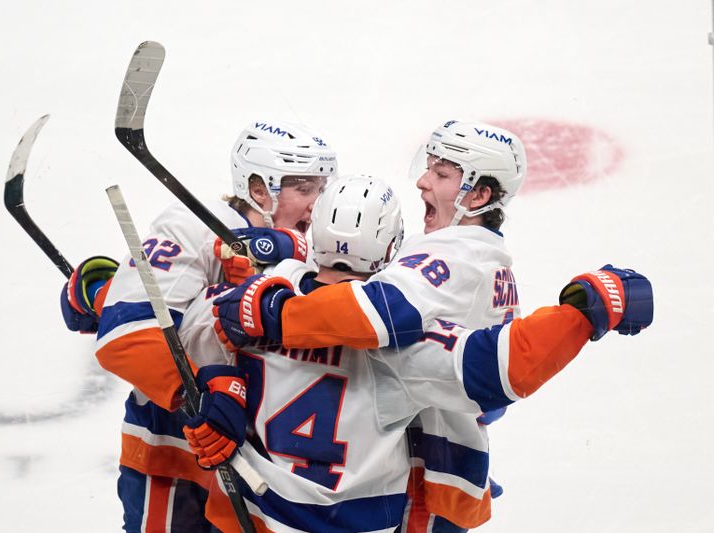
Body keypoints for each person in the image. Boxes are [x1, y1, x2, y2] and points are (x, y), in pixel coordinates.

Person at [181, 177, 654, 532]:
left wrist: (221, 383)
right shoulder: (398, 347)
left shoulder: (251, 300)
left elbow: (193, 334)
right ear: (393, 250)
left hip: (248, 513)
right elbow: (505, 367)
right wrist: (587, 309)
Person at [214, 119, 526, 530]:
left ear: (480, 193)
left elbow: (377, 312)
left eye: (441, 173)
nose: (423, 181)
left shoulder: (451, 263)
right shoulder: (488, 263)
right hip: (420, 473)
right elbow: (492, 400)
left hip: (394, 474)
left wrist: (271, 309)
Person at [59, 120, 337, 532]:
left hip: (266, 470)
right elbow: (127, 334)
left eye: (323, 187)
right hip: (178, 458)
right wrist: (204, 396)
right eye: (304, 188)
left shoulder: (322, 245)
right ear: (259, 190)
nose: (318, 203)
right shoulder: (193, 225)